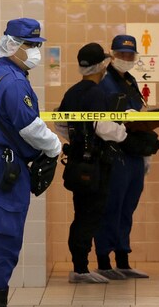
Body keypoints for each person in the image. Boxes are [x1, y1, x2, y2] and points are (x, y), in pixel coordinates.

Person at [0, 18, 61, 307]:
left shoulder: (0, 72)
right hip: (3, 164)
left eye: (37, 45)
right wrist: (54, 147)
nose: (35, 51)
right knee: (5, 234)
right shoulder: (12, 81)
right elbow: (30, 127)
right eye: (30, 45)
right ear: (11, 44)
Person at [57, 42, 135, 284]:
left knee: (80, 214)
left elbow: (59, 123)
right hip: (95, 166)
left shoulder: (72, 92)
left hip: (76, 163)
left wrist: (79, 139)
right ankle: (81, 269)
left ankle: (79, 265)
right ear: (102, 65)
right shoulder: (97, 93)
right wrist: (124, 129)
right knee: (91, 215)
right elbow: (104, 128)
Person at [94, 35, 159, 281]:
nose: (126, 59)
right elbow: (102, 119)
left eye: (130, 55)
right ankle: (104, 260)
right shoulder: (104, 81)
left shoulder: (130, 81)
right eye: (121, 54)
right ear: (111, 54)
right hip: (113, 154)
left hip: (133, 153)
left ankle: (122, 260)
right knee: (110, 207)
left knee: (127, 208)